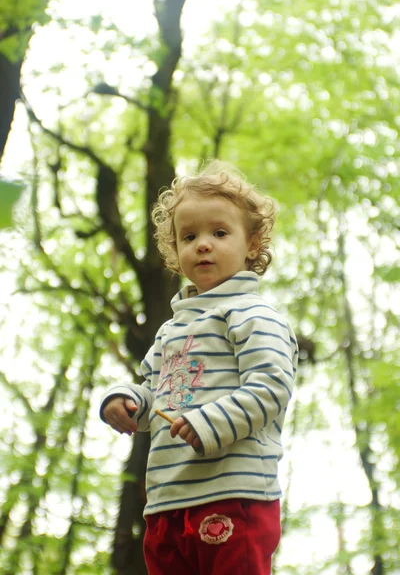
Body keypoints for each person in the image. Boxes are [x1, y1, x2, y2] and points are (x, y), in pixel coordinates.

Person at [100, 160, 298, 575]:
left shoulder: (253, 314)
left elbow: (271, 388)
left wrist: (210, 422)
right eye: (189, 236)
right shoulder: (172, 329)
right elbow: (156, 391)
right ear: (176, 252)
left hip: (232, 492)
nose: (203, 244)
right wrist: (126, 400)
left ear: (252, 243)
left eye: (219, 233)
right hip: (167, 498)